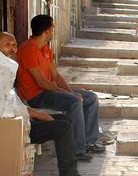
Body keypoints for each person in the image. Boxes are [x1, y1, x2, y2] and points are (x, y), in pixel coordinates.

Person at [0, 32, 95, 176]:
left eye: (13, 45)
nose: (12, 49)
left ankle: (72, 175)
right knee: (62, 128)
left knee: (65, 120)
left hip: (20, 120)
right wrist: (38, 115)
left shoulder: (7, 67)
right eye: (7, 45)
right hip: (11, 127)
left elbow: (13, 103)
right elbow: (6, 107)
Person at [15, 15, 105, 158]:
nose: (53, 32)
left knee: (90, 97)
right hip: (36, 96)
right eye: (52, 29)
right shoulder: (28, 49)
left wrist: (71, 92)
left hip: (49, 91)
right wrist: (69, 95)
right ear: (46, 31)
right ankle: (76, 150)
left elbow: (56, 76)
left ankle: (89, 141)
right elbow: (41, 82)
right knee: (74, 102)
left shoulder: (45, 49)